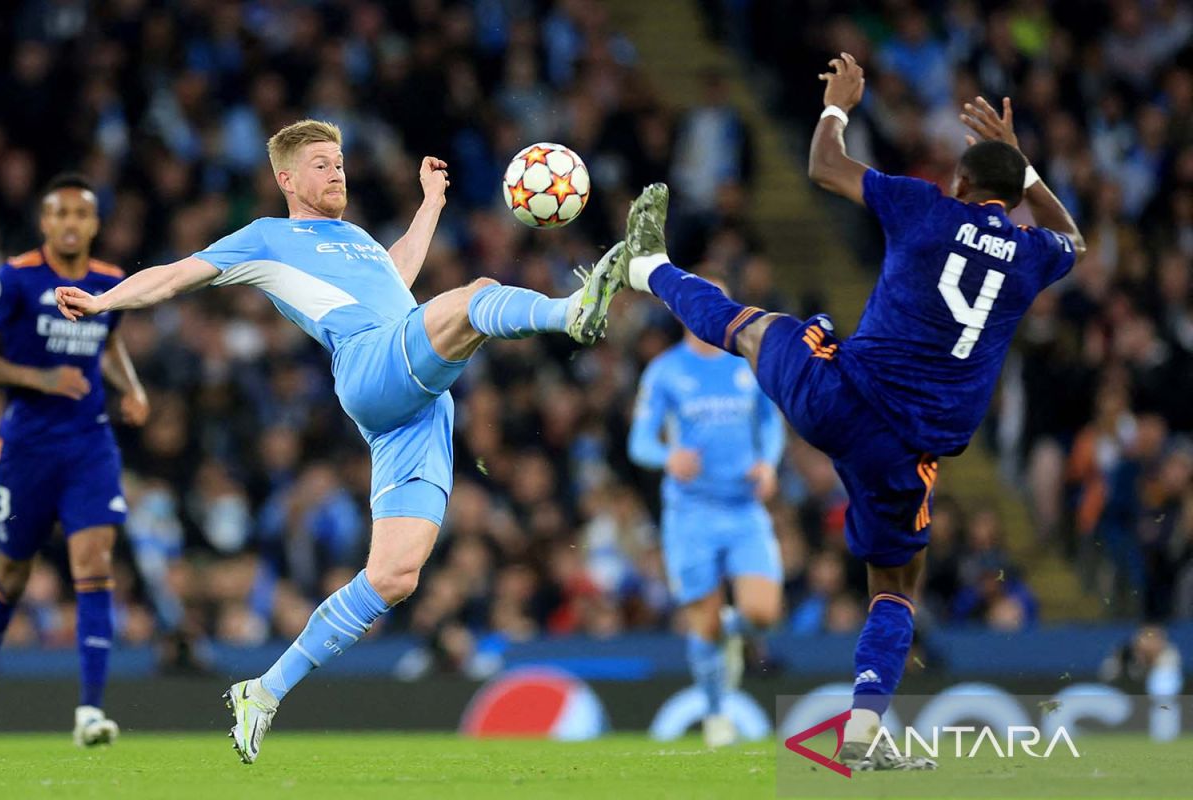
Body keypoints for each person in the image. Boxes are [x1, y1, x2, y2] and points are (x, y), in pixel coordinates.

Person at [55, 119, 626, 764]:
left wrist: (431, 204)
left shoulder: (355, 238)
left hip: (416, 405)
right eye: (322, 164)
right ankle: (571, 311)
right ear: (287, 179)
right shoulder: (268, 238)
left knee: (393, 576)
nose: (337, 173)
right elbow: (174, 275)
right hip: (369, 366)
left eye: (340, 162)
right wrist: (106, 303)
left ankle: (264, 691)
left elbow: (397, 279)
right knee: (479, 296)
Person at [614, 53, 1085, 770]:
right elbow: (1074, 239)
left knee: (750, 328)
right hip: (907, 453)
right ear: (1012, 194)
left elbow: (826, 166)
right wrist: (1028, 173)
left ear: (960, 183)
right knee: (894, 588)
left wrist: (839, 104)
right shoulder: (1028, 256)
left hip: (838, 395)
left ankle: (648, 268)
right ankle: (863, 729)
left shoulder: (925, 205)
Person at [0, 173, 150, 746]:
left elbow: (108, 342)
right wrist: (37, 376)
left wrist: (131, 386)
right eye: (58, 213)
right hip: (27, 447)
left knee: (95, 562)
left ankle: (89, 711)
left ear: (94, 224)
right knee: (11, 573)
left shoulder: (110, 282)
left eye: (80, 214)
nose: (69, 223)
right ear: (44, 222)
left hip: (89, 444)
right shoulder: (13, 278)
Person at [627, 279, 784, 748]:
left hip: (743, 508)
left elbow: (771, 424)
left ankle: (733, 636)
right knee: (705, 622)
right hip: (690, 513)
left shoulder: (747, 364)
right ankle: (716, 715)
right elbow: (639, 442)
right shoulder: (664, 372)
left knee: (763, 612)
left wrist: (768, 463)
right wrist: (667, 457)